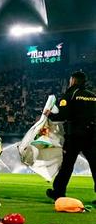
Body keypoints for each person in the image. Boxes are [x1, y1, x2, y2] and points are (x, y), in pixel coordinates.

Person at [43, 71, 96, 202]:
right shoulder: (93, 96)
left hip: (75, 136)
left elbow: (62, 116)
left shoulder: (70, 95)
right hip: (92, 136)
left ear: (73, 81)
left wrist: (49, 114)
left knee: (67, 165)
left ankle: (58, 192)